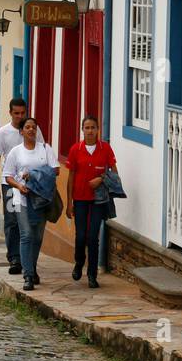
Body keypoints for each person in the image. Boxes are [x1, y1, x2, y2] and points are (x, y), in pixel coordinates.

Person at [0, 117, 57, 291]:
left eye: (34, 127)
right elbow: (8, 176)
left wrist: (33, 174)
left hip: (41, 199)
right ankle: (28, 275)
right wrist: (19, 185)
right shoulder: (15, 152)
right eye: (27, 127)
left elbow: (55, 170)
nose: (31, 130)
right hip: (20, 198)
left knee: (38, 237)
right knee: (26, 235)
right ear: (22, 131)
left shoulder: (45, 149)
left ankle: (31, 267)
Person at [0, 98, 45, 277]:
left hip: (32, 186)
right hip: (10, 185)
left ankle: (27, 259)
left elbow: (43, 151)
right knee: (12, 220)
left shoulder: (34, 131)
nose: (20, 116)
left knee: (31, 222)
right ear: (10, 113)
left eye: (23, 113)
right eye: (16, 113)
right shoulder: (3, 133)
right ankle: (14, 257)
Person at [64, 115, 116, 288]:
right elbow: (70, 177)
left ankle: (92, 274)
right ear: (82, 129)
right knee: (81, 237)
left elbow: (114, 174)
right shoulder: (75, 149)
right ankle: (79, 262)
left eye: (93, 127)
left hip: (98, 200)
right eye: (87, 127)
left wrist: (101, 179)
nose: (90, 131)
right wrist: (69, 202)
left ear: (98, 129)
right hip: (79, 199)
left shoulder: (106, 149)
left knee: (93, 237)